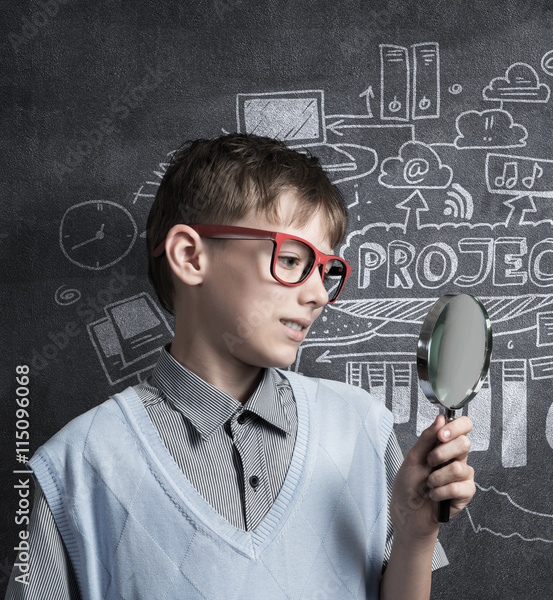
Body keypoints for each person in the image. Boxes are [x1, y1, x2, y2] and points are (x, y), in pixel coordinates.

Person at [5, 133, 476, 600]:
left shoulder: (361, 426)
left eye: (326, 272)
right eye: (292, 259)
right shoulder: (78, 466)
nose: (316, 295)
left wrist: (417, 532)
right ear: (190, 256)